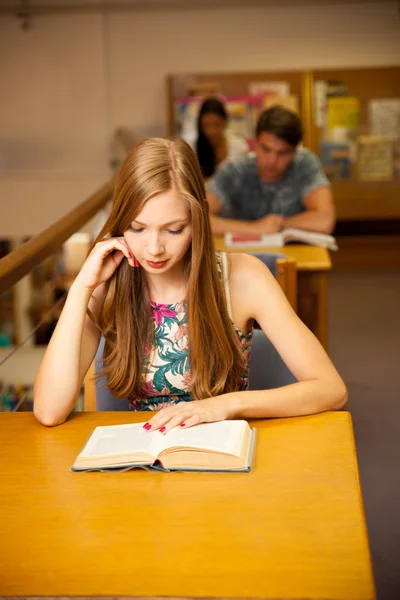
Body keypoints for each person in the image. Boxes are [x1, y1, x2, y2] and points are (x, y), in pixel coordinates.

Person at [33, 137, 347, 430]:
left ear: (197, 222)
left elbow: (331, 389)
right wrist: (81, 289)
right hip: (145, 463)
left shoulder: (243, 277)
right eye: (137, 228)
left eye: (173, 230)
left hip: (223, 457)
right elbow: (49, 411)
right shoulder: (110, 284)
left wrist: (228, 405)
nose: (154, 248)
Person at [207, 105, 335, 235]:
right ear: (255, 144)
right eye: (266, 149)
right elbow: (197, 218)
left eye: (282, 153)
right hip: (242, 252)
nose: (272, 160)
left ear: (295, 151)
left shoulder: (304, 164)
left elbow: (325, 220)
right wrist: (255, 228)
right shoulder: (235, 170)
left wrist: (279, 224)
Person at [188, 97, 249, 179]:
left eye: (217, 125)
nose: (211, 131)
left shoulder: (239, 146)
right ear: (200, 125)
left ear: (225, 122)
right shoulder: (192, 149)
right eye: (206, 125)